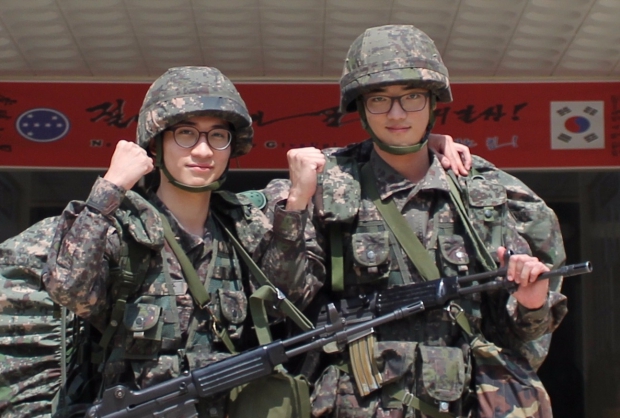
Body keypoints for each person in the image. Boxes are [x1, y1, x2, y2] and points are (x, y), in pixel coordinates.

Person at [35, 64, 468, 417]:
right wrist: (109, 188)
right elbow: (68, 288)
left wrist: (421, 146)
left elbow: (294, 293)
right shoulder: (123, 227)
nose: (202, 151)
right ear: (157, 142)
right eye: (185, 133)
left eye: (217, 136)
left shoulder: (245, 223)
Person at [259, 25, 567, 417]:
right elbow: (283, 302)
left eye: (412, 97)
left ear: (434, 103)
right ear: (361, 107)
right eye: (380, 100)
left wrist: (531, 301)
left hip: (463, 403)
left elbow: (519, 340)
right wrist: (296, 204)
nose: (397, 113)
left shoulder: (483, 193)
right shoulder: (326, 185)